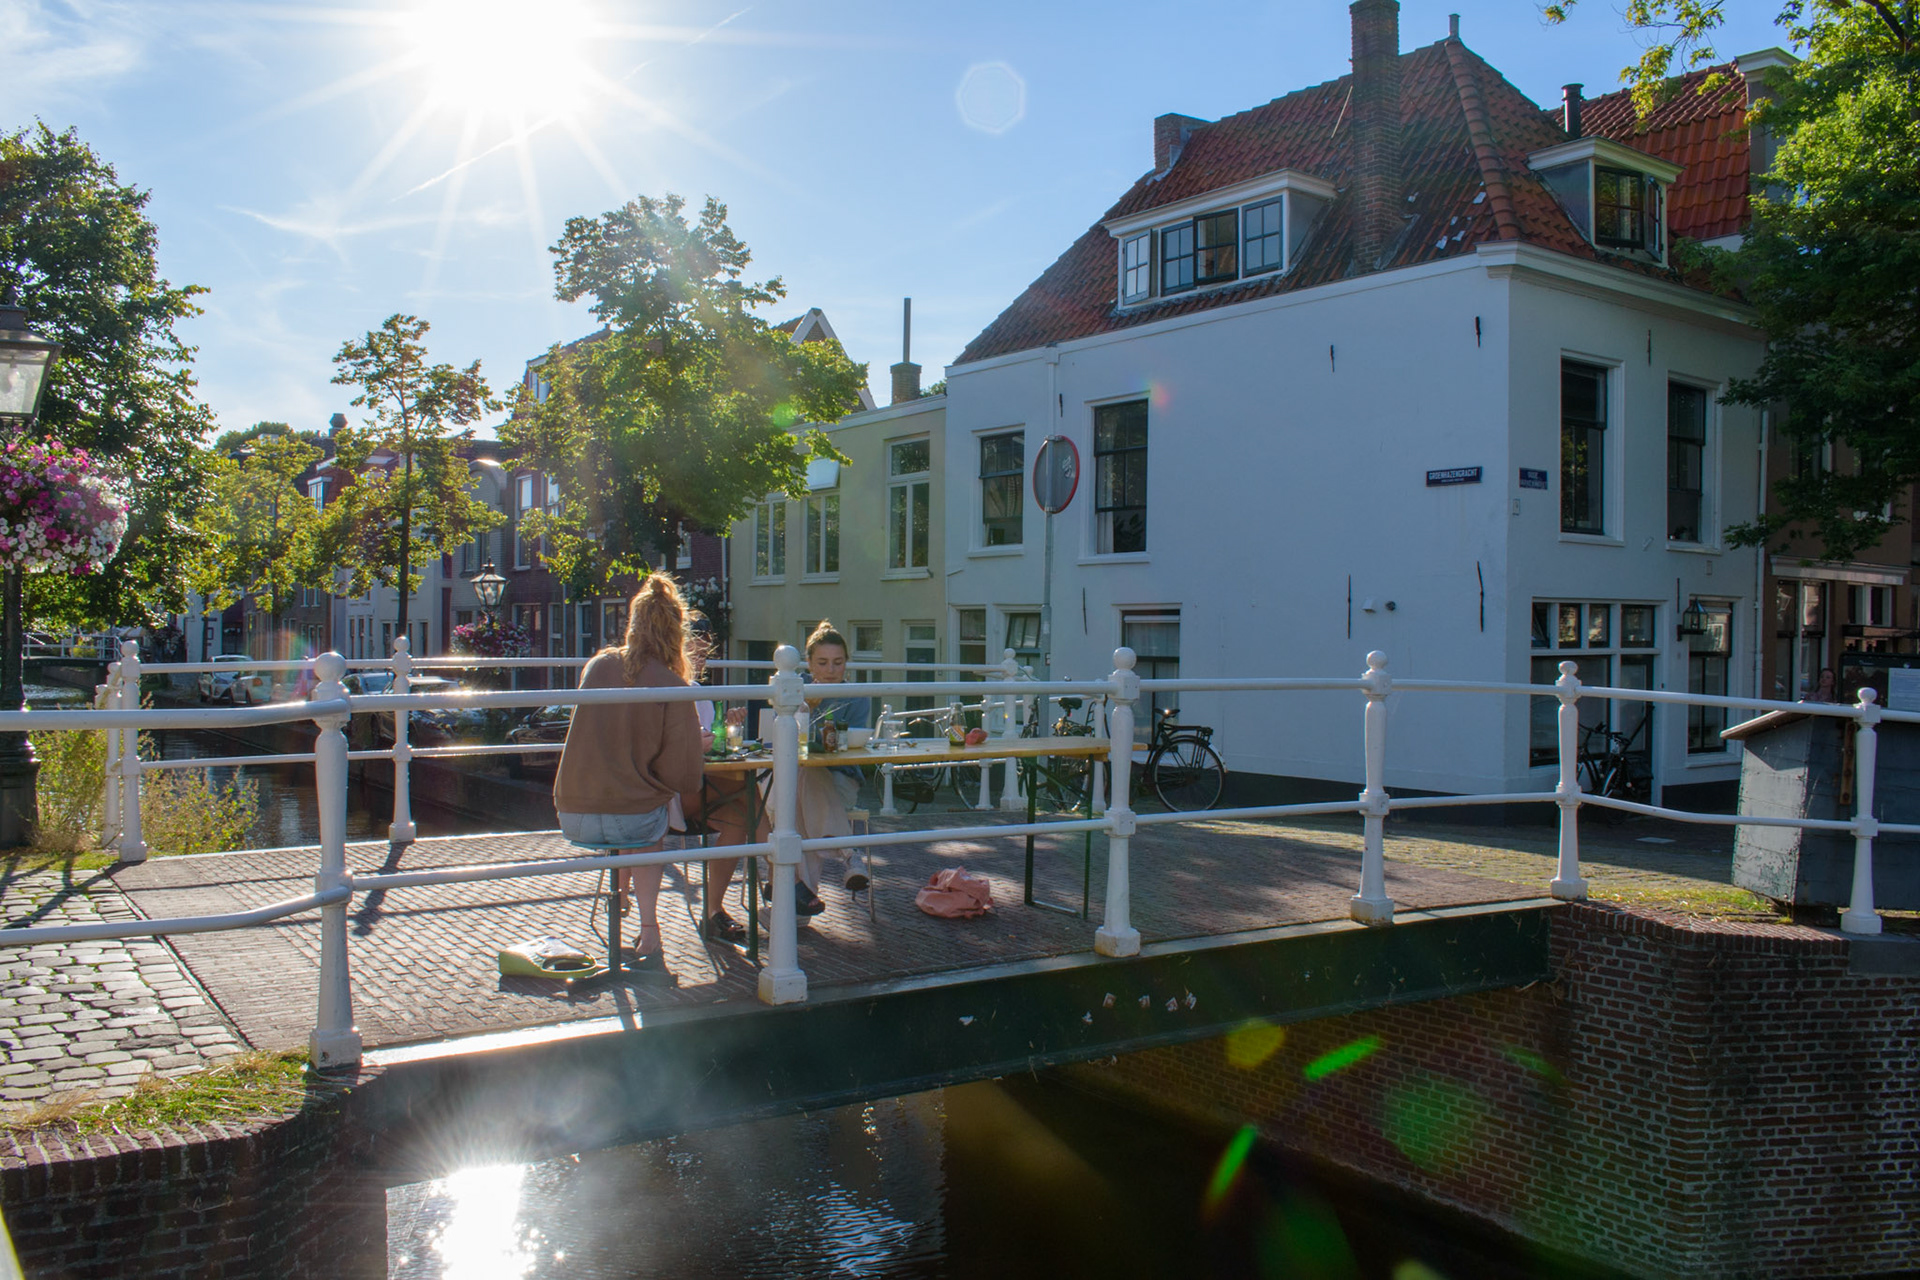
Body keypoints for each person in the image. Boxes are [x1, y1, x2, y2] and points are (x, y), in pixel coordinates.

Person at [552, 576, 705, 971]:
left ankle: (618, 898)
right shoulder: (673, 685)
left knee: (632, 799)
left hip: (573, 812)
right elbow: (682, 778)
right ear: (677, 631)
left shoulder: (599, 664)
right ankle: (650, 931)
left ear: (633, 623)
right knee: (653, 812)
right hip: (631, 822)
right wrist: (695, 746)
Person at [672, 612, 762, 946]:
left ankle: (714, 911)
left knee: (744, 810)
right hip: (671, 792)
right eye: (692, 650)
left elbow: (712, 745)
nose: (698, 657)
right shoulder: (666, 686)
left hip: (702, 785)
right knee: (746, 797)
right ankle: (783, 877)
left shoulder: (698, 691)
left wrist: (728, 724)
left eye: (703, 652)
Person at [793, 620, 873, 901]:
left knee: (798, 811)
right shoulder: (795, 690)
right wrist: (805, 709)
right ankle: (850, 855)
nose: (830, 670)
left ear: (847, 663)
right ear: (809, 664)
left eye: (838, 663)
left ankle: (801, 903)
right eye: (823, 662)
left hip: (840, 778)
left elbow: (843, 747)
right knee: (807, 780)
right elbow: (783, 736)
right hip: (799, 778)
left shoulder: (857, 697)